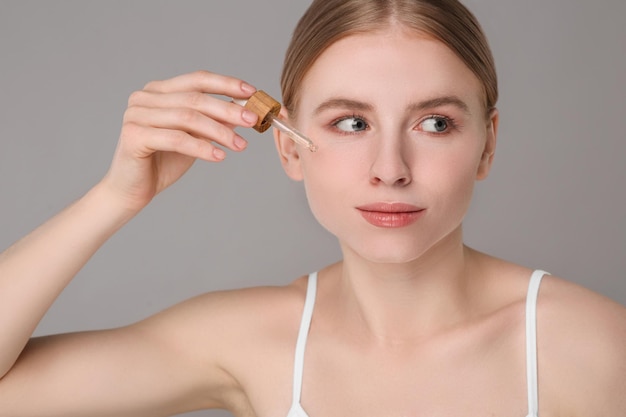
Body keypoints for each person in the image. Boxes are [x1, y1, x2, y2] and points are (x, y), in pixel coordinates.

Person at [0, 0, 624, 416]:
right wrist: (115, 195)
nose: (390, 167)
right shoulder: (249, 340)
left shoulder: (591, 345)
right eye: (351, 122)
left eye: (435, 123)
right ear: (290, 149)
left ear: (487, 145)